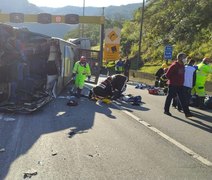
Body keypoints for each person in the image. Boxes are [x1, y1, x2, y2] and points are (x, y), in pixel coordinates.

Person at [164, 52, 193, 118]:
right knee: (169, 98)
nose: (185, 59)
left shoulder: (182, 65)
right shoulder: (174, 65)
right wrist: (173, 80)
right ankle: (166, 110)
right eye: (184, 57)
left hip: (180, 85)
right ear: (180, 58)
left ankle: (187, 113)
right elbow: (167, 75)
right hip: (173, 85)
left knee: (183, 99)